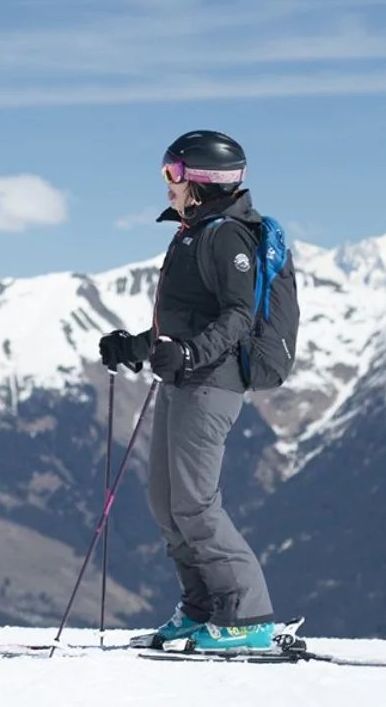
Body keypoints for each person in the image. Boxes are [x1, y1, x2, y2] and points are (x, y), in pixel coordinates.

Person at [99, 130, 275, 651]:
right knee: (166, 502)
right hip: (182, 379)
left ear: (201, 180)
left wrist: (193, 354)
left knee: (196, 505)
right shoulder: (192, 232)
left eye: (173, 174)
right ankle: (203, 607)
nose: (167, 184)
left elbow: (239, 316)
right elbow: (185, 320)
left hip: (212, 383)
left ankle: (247, 616)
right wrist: (135, 347)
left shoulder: (226, 236)